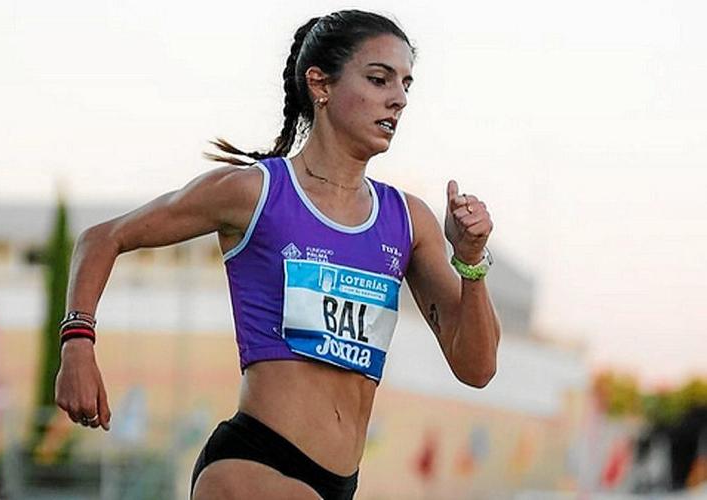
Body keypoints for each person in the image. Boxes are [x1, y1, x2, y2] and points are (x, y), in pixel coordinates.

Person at [54, 9, 501, 500]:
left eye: (406, 85)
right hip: (253, 463)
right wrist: (77, 344)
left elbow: (477, 368)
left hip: (338, 483)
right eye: (379, 79)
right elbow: (102, 238)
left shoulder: (407, 219)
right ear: (320, 84)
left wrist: (471, 262)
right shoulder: (256, 193)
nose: (399, 99)